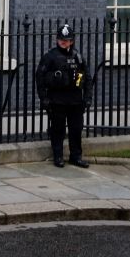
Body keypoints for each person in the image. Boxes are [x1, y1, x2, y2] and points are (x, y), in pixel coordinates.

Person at [35, 22, 92, 168]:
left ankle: (76, 156)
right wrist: (44, 99)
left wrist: (87, 98)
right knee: (58, 130)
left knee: (76, 130)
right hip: (57, 100)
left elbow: (87, 77)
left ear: (72, 41)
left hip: (75, 101)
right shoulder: (50, 56)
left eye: (66, 40)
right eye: (61, 39)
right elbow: (40, 78)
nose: (63, 42)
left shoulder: (78, 56)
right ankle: (58, 156)